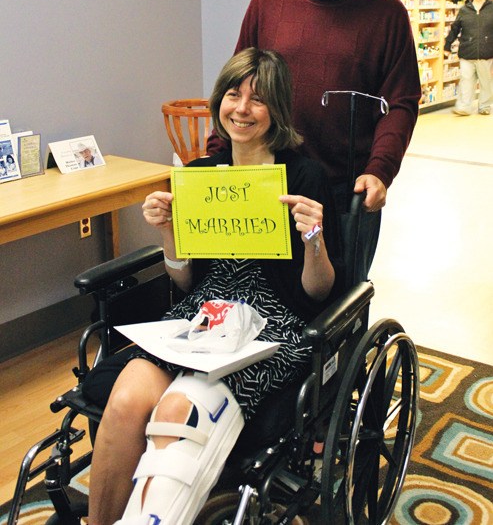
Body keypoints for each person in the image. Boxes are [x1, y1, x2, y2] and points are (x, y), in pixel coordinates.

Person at [82, 48, 344, 525]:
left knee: (181, 410)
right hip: (201, 318)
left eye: (258, 99)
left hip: (273, 327)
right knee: (124, 401)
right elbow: (184, 282)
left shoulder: (303, 178)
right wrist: (168, 232)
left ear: (277, 110)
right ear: (219, 101)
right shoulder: (201, 176)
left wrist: (313, 238)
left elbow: (319, 292)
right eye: (233, 94)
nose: (242, 108)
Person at [207, 0, 422, 278]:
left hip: (344, 194)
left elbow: (402, 102)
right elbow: (237, 85)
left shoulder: (387, 15)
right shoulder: (268, 4)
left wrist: (380, 170)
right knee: (260, 298)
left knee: (339, 306)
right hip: (265, 185)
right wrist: (217, 154)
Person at [444, 0, 493, 116]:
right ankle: (464, 107)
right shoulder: (464, 10)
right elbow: (455, 28)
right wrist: (447, 45)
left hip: (487, 52)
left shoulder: (492, 8)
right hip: (467, 51)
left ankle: (484, 106)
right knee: (466, 81)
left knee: (486, 82)